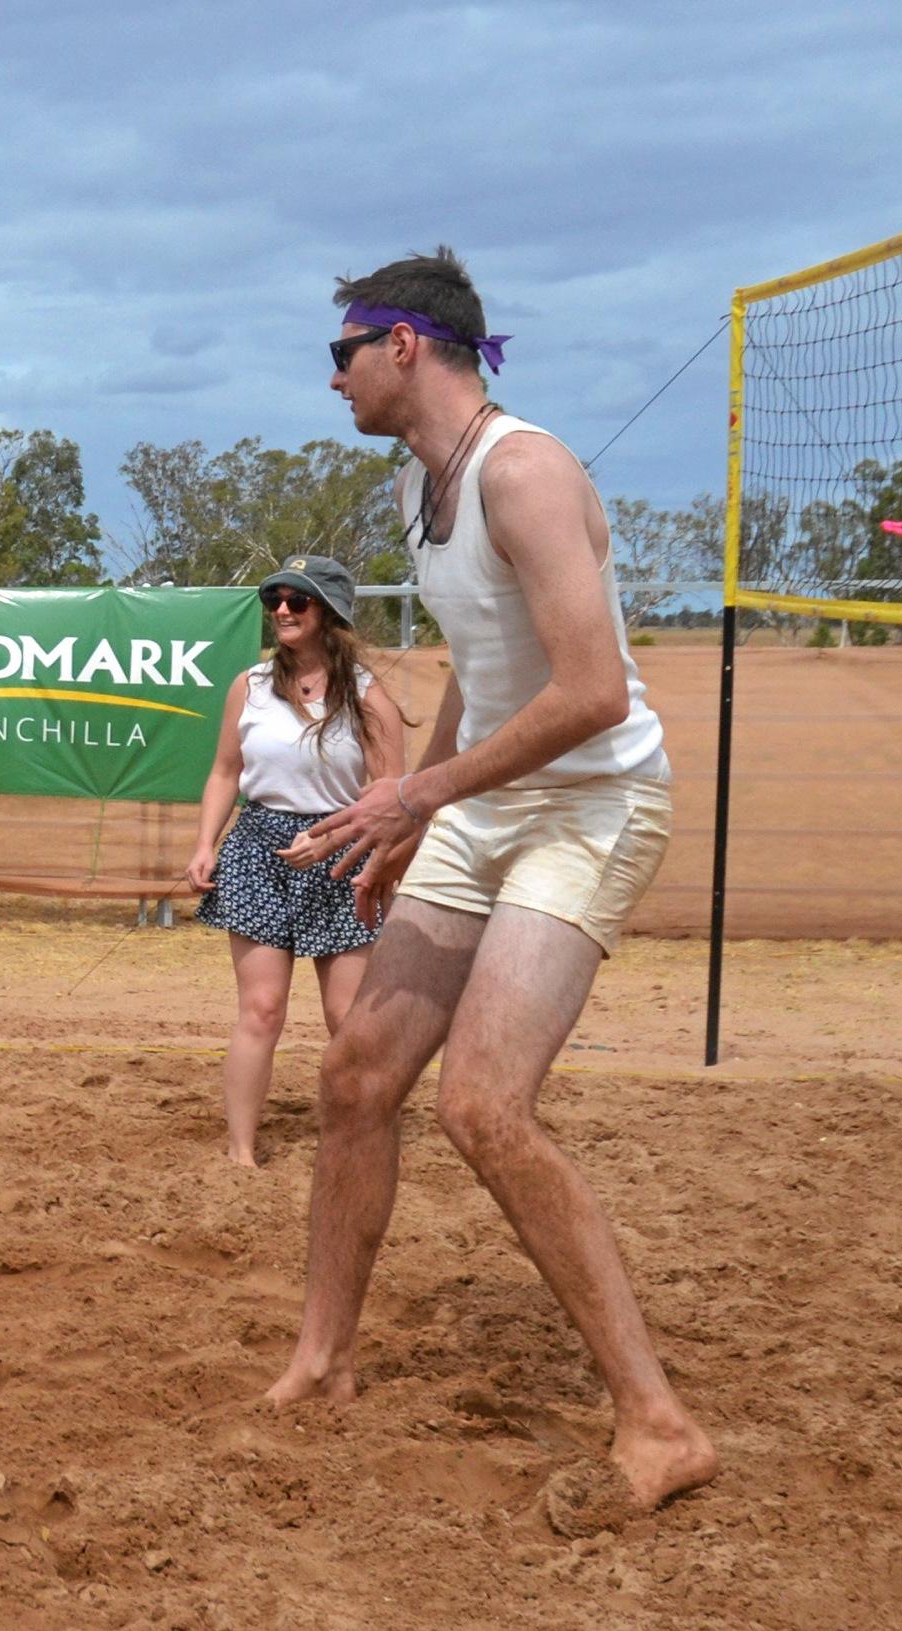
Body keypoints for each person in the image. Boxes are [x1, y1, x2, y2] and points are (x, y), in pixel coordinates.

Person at [263, 248, 718, 1509]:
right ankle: (324, 1360)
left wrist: (415, 792)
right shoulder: (429, 489)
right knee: (356, 1074)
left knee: (484, 1107)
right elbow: (484, 669)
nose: (333, 377)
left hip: (593, 803)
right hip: (487, 805)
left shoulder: (525, 471)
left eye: (341, 352)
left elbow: (592, 693)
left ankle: (659, 1421)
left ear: (405, 344)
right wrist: (423, 822)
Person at [187, 555, 404, 1167]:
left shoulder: (369, 698)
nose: (281, 609)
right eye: (274, 598)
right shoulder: (249, 687)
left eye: (297, 600)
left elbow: (390, 800)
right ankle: (241, 1153)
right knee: (261, 1009)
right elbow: (225, 771)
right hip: (259, 851)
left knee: (347, 1017)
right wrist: (206, 843)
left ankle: (363, 1147)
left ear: (329, 612)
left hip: (347, 856)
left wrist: (332, 841)